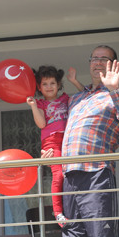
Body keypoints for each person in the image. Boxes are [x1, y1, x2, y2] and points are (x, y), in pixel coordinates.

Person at [60, 45, 119, 237]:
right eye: (95, 58)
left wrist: (113, 89)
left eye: (104, 59)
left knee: (101, 236)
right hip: (69, 175)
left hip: (96, 173)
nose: (98, 62)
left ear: (113, 64)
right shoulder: (76, 98)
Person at [26, 65, 84, 227]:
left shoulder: (65, 99)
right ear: (39, 87)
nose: (49, 87)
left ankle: (77, 208)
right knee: (58, 175)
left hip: (69, 139)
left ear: (58, 85)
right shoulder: (40, 103)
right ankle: (58, 213)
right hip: (51, 142)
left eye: (52, 83)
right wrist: (33, 106)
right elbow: (41, 124)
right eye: (44, 84)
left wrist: (74, 81)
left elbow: (85, 95)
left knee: (74, 173)